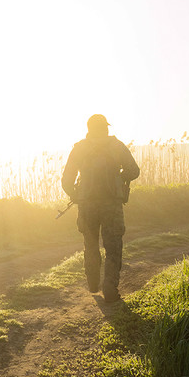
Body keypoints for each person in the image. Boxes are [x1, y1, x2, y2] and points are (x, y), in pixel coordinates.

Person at [61, 114, 140, 303]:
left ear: (89, 129)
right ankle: (110, 288)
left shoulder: (79, 148)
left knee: (90, 244)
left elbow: (66, 180)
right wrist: (119, 178)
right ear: (105, 128)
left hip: (87, 205)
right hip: (111, 204)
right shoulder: (116, 146)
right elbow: (134, 171)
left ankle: (93, 283)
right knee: (113, 246)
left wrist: (75, 195)